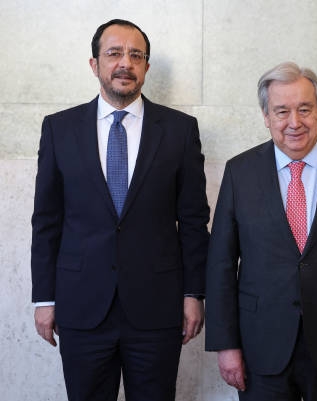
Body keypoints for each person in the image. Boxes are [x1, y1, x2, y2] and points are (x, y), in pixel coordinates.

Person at [30, 19, 210, 401]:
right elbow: (46, 221)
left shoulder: (179, 131)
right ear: (94, 64)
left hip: (157, 308)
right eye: (114, 53)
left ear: (146, 67)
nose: (125, 63)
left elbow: (194, 220)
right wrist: (44, 298)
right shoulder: (59, 129)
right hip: (81, 307)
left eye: (136, 55)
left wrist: (194, 292)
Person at [204, 61, 317, 401]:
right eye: (282, 111)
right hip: (261, 345)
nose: (294, 122)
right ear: (266, 116)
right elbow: (221, 265)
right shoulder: (240, 172)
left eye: (304, 109)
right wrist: (225, 344)